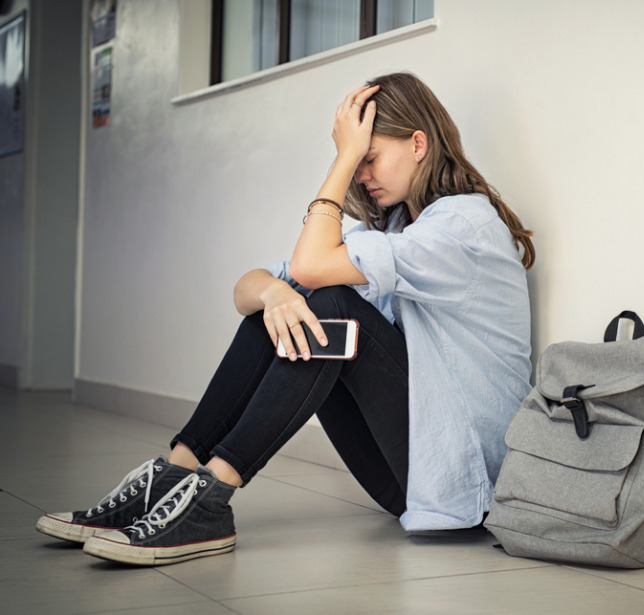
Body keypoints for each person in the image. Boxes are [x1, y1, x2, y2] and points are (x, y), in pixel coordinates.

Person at [36, 72, 535, 566]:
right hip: (412, 478)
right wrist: (275, 293)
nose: (361, 174)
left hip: (465, 483)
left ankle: (210, 500)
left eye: (369, 158)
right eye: (355, 162)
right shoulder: (399, 228)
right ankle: (173, 477)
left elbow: (310, 267)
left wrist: (341, 159)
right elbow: (247, 289)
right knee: (277, 310)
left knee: (331, 306)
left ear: (418, 144)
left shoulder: (463, 226)